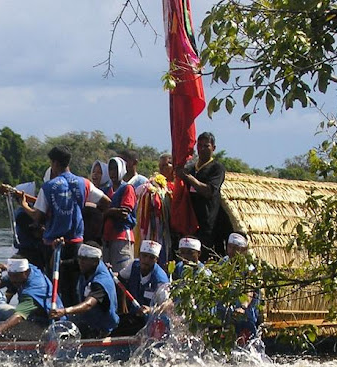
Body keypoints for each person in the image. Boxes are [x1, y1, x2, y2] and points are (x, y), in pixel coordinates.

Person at [21, 145, 111, 306]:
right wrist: (87, 207)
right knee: (74, 286)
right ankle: (73, 319)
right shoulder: (84, 183)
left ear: (55, 163)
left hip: (54, 244)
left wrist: (23, 205)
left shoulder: (48, 187)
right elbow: (106, 202)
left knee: (54, 286)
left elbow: (37, 217)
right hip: (76, 242)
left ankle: (56, 317)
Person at [49, 242, 119, 339]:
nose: (80, 262)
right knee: (58, 325)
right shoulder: (85, 265)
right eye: (79, 258)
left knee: (63, 333)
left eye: (84, 259)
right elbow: (55, 265)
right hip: (87, 319)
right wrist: (55, 250)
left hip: (101, 327)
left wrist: (65, 311)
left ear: (95, 262)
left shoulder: (101, 281)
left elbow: (88, 305)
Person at [176, 132, 226, 261]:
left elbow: (209, 191)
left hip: (207, 224)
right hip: (190, 223)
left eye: (206, 146)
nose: (202, 149)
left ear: (213, 148)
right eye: (200, 146)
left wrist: (188, 178)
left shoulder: (216, 168)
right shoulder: (191, 168)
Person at [0, 257, 54, 342]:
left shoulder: (33, 292)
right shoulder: (28, 269)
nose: (12, 280)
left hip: (45, 326)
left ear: (25, 273)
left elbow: (18, 317)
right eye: (10, 276)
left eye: (15, 277)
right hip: (31, 317)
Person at [111, 240, 170, 336]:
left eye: (151, 258)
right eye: (144, 256)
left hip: (151, 322)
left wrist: (150, 310)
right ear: (139, 255)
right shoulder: (134, 265)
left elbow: (168, 305)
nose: (146, 260)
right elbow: (120, 278)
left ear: (156, 260)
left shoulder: (160, 280)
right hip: (134, 316)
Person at [216, 232, 261, 343]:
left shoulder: (249, 268)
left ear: (243, 250)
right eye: (230, 247)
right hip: (226, 314)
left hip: (244, 317)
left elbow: (249, 289)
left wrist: (243, 306)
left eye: (236, 248)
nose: (232, 251)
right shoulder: (223, 263)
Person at [102, 156, 136, 272]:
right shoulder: (106, 190)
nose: (112, 172)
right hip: (107, 237)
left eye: (115, 169)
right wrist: (111, 212)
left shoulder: (127, 188)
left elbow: (124, 212)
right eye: (110, 169)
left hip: (121, 236)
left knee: (121, 272)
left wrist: (107, 212)